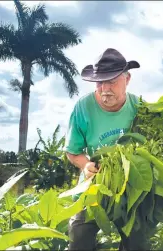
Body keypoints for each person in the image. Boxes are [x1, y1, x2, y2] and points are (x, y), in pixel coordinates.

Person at [64, 48, 154, 250]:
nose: (105, 88)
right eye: (100, 82)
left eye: (112, 81)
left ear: (127, 79)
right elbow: (72, 150)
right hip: (94, 184)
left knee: (137, 242)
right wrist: (86, 165)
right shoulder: (83, 107)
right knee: (78, 240)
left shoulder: (140, 108)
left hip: (131, 187)